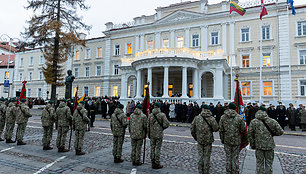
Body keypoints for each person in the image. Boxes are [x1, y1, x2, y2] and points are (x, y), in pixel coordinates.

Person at [249, 106, 284, 174]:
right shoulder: (271, 121)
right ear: (265, 112)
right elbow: (280, 132)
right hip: (269, 145)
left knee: (259, 163)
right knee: (269, 164)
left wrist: (252, 144)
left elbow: (250, 134)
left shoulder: (253, 122)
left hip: (258, 145)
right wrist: (273, 134)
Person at [219, 102, 247, 174]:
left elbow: (221, 130)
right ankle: (234, 171)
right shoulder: (239, 117)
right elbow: (243, 129)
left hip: (227, 140)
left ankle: (228, 172)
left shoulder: (223, 117)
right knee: (235, 157)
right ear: (235, 108)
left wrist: (222, 139)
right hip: (236, 140)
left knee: (228, 157)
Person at [191, 104, 219, 174]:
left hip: (200, 140)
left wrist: (196, 137)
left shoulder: (197, 118)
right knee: (207, 156)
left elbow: (192, 129)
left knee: (200, 156)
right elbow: (216, 128)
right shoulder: (211, 118)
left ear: (202, 109)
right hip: (208, 140)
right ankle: (206, 171)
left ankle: (200, 171)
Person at [148, 102, 170, 169]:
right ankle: (156, 163)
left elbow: (147, 126)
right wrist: (162, 128)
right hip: (159, 134)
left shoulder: (150, 115)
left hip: (152, 134)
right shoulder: (162, 115)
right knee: (157, 148)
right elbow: (166, 124)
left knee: (152, 148)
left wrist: (148, 134)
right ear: (159, 107)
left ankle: (152, 162)